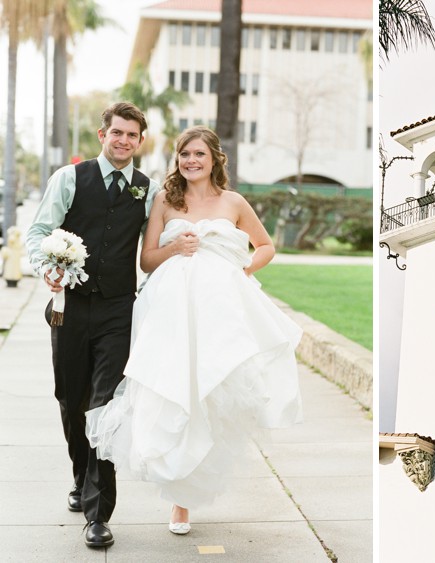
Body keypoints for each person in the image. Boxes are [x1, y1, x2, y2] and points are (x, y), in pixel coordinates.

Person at [85, 126, 303, 535]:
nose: (191, 161)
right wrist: (175, 248)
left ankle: (189, 493)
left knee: (209, 397)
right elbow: (147, 260)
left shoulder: (233, 202)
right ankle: (178, 502)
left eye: (199, 154)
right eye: (185, 154)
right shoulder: (166, 201)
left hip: (220, 313)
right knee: (175, 394)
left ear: (214, 158)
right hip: (170, 310)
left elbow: (266, 246)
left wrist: (242, 268)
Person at [25, 102, 160, 548]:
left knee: (105, 404)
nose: (124, 141)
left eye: (132, 135)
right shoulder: (69, 178)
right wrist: (47, 266)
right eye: (117, 133)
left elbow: (158, 242)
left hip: (119, 310)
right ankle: (81, 476)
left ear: (141, 141)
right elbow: (39, 232)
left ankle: (98, 512)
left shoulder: (148, 190)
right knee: (71, 398)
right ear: (102, 135)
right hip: (69, 308)